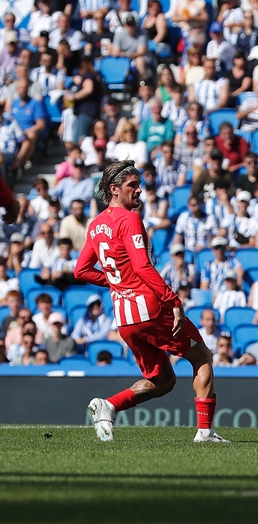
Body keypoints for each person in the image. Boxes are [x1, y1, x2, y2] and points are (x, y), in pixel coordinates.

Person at [75, 160, 228, 443]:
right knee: (202, 356)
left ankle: (109, 405)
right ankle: (205, 432)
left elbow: (81, 270)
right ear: (114, 189)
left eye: (140, 185)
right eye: (132, 186)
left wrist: (115, 280)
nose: (139, 191)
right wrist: (173, 300)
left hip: (124, 319)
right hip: (150, 308)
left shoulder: (96, 226)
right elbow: (143, 267)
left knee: (164, 381)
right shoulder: (130, 219)